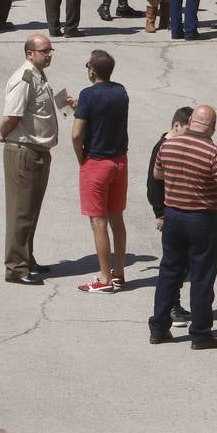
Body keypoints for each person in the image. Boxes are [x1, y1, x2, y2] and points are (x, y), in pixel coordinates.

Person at [149, 105, 217, 349]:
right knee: (202, 277)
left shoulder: (168, 144)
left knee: (169, 273)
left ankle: (158, 329)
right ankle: (201, 334)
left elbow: (157, 174)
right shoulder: (214, 153)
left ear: (191, 121)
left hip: (173, 216)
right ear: (213, 127)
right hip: (202, 220)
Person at [0, 34, 71, 284]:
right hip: (24, 151)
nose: (49, 54)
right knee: (20, 211)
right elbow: (12, 114)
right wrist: (2, 132)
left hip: (39, 151)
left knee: (31, 209)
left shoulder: (38, 75)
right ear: (30, 54)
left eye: (50, 50)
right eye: (44, 51)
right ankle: (16, 267)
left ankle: (27, 257)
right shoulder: (23, 79)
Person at [72, 49, 130, 294]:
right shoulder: (121, 91)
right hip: (120, 161)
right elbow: (105, 111)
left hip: (97, 162)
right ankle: (119, 272)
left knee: (98, 222)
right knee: (117, 218)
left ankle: (104, 279)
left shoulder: (88, 95)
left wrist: (81, 159)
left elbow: (76, 134)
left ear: (92, 70)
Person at [146, 106, 193, 328]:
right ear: (176, 126)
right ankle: (171, 309)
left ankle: (176, 303)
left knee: (183, 264)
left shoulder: (181, 145)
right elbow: (153, 185)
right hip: (170, 213)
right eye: (188, 129)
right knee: (174, 265)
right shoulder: (163, 147)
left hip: (182, 213)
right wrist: (160, 213)